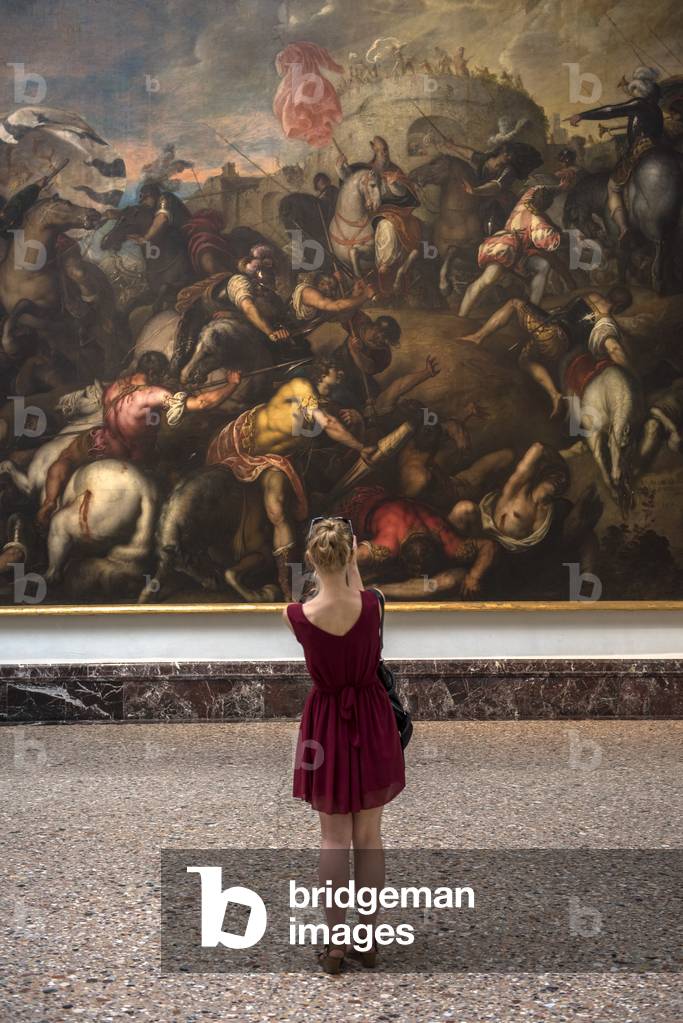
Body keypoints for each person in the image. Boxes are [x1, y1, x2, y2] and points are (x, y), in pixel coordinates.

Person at [282, 516, 405, 974]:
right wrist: (352, 563)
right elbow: (360, 597)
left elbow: (329, 598)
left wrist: (338, 565)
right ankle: (368, 942)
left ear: (312, 557)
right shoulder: (373, 604)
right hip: (372, 717)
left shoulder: (296, 616)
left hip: (326, 722)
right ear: (351, 554)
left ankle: (335, 947)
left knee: (333, 839)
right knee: (369, 838)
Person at [206, 377, 377, 598]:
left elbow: (330, 430)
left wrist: (357, 424)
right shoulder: (301, 386)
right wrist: (360, 446)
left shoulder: (322, 417)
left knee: (277, 510)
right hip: (237, 442)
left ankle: (287, 585)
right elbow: (327, 422)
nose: (336, 379)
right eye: (332, 375)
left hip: (272, 460)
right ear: (321, 375)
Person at [36, 351, 242, 529]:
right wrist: (231, 384)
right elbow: (203, 402)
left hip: (102, 443)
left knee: (66, 457)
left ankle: (49, 501)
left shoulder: (113, 388)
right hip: (135, 457)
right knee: (179, 476)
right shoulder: (153, 394)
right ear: (155, 374)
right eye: (161, 375)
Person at [461, 286, 634, 417]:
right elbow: (613, 348)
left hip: (550, 331)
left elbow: (564, 312)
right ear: (619, 307)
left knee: (514, 302)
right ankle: (554, 394)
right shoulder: (607, 322)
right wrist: (630, 374)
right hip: (558, 347)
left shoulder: (591, 296)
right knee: (525, 360)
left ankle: (478, 337)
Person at [569, 67, 664, 241]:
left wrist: (582, 115)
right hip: (658, 148)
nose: (632, 92)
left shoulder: (639, 104)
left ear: (640, 89)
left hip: (641, 149)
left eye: (634, 89)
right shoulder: (656, 109)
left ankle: (623, 228)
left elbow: (611, 111)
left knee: (613, 186)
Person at [459, 185, 573, 317]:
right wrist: (566, 237)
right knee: (486, 280)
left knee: (543, 265)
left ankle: (531, 311)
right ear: (546, 206)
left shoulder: (523, 202)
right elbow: (549, 242)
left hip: (518, 253)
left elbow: (536, 189)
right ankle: (461, 315)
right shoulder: (537, 221)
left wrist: (559, 188)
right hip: (504, 248)